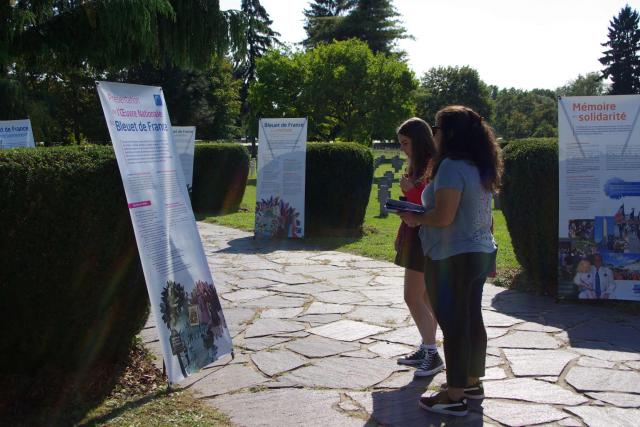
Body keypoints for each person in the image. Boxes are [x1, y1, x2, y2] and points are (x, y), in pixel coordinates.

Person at [399, 105, 501, 417]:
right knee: (471, 319)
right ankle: (470, 382)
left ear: (450, 133)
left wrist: (414, 217)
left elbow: (443, 216)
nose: (434, 135)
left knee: (455, 324)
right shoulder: (478, 165)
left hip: (454, 256)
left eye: (438, 129)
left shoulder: (452, 167)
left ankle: (454, 394)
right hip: (479, 252)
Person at [393, 118, 444, 377]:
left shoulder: (432, 166)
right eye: (400, 143)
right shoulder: (418, 164)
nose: (403, 148)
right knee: (424, 297)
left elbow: (430, 205)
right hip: (416, 235)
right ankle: (427, 348)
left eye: (406, 143)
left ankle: (432, 352)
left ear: (419, 140)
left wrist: (410, 191)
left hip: (424, 238)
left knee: (412, 296)